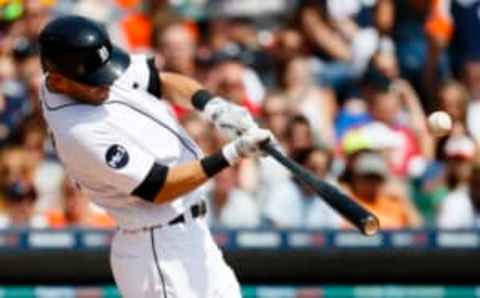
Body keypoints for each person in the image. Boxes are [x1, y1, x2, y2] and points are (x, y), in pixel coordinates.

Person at [38, 16, 274, 298]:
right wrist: (232, 153)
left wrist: (213, 106)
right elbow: (159, 187)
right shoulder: (78, 133)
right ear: (58, 81)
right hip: (158, 249)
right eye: (94, 81)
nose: (107, 83)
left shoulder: (83, 70)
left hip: (193, 234)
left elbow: (160, 82)